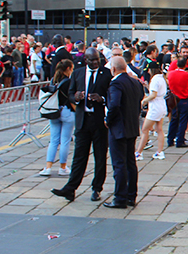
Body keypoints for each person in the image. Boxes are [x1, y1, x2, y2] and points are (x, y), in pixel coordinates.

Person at [51, 48, 111, 202]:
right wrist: (76, 97)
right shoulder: (78, 73)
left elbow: (111, 95)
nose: (95, 62)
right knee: (79, 156)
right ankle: (70, 188)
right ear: (86, 60)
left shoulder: (106, 74)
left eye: (97, 59)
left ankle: (97, 188)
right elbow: (70, 94)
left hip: (99, 121)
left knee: (100, 157)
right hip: (83, 120)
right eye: (92, 60)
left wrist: (102, 99)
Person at [103, 55, 142, 209]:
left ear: (113, 69)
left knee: (119, 163)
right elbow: (139, 101)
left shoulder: (116, 84)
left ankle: (120, 197)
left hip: (119, 127)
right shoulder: (134, 82)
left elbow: (114, 104)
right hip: (131, 125)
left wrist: (108, 119)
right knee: (130, 163)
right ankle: (131, 195)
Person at [39, 58, 75, 177]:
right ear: (68, 69)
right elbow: (71, 98)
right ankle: (62, 167)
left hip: (54, 111)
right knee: (65, 140)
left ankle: (48, 167)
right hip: (67, 111)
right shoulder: (69, 82)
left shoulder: (53, 80)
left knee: (53, 140)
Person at [136, 62, 168, 161]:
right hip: (162, 105)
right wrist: (147, 86)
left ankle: (139, 152)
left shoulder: (154, 79)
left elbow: (153, 95)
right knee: (159, 129)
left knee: (145, 130)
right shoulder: (162, 78)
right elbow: (156, 92)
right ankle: (160, 151)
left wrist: (144, 101)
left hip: (155, 107)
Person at [166, 52, 188, 148]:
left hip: (174, 99)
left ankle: (170, 139)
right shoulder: (187, 75)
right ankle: (180, 140)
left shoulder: (171, 74)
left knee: (174, 119)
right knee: (183, 120)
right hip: (184, 98)